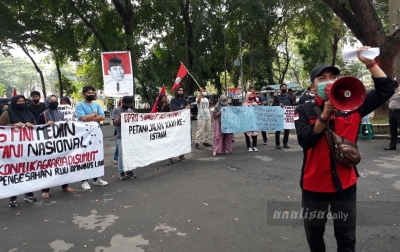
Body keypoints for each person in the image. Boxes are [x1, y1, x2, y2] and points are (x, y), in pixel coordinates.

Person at [294, 46, 394, 252]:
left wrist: (369, 61)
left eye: (332, 77)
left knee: (346, 239)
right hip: (314, 187)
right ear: (313, 86)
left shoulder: (354, 105)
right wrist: (324, 115)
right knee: (314, 236)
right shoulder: (303, 109)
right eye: (322, 78)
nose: (328, 81)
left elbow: (386, 89)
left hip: (345, 186)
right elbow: (305, 140)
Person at [0, 95, 37, 207]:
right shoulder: (7, 114)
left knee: (27, 171)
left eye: (23, 101)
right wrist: (13, 125)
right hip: (12, 150)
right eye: (18, 102)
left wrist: (32, 126)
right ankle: (13, 197)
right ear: (14, 103)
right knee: (14, 172)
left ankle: (28, 194)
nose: (21, 103)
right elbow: (1, 127)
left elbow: (36, 128)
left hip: (27, 149)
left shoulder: (29, 114)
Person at [37, 95, 75, 197]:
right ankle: (45, 190)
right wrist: (46, 125)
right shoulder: (43, 115)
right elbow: (38, 130)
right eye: (51, 101)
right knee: (47, 167)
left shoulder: (60, 114)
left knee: (62, 165)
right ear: (47, 102)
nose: (54, 102)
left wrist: (66, 124)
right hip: (48, 145)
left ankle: (65, 186)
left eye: (55, 100)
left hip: (60, 145)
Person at [75, 86, 109, 190]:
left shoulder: (97, 104)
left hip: (96, 134)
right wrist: (94, 115)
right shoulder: (79, 105)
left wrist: (90, 117)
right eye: (89, 93)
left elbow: (102, 117)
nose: (91, 94)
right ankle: (84, 181)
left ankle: (96, 179)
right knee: (85, 157)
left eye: (92, 92)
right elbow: (83, 118)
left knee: (96, 156)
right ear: (84, 94)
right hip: (84, 136)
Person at [112, 96, 137, 180]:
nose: (128, 106)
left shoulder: (130, 110)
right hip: (120, 135)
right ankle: (121, 172)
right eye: (126, 104)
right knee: (121, 155)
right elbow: (115, 122)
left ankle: (129, 170)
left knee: (130, 153)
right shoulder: (116, 110)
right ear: (122, 102)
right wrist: (120, 117)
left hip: (129, 135)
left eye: (129, 104)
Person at [167, 86, 191, 165]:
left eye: (182, 90)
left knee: (182, 139)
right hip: (174, 124)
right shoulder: (173, 100)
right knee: (173, 139)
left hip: (182, 124)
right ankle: (171, 157)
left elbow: (187, 108)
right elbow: (174, 108)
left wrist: (189, 113)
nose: (181, 92)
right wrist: (184, 107)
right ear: (177, 91)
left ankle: (181, 155)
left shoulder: (185, 100)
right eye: (179, 90)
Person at [273, 84, 293, 149]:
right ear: (280, 88)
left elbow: (293, 105)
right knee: (278, 130)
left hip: (287, 116)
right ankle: (277, 144)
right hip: (279, 116)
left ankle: (285, 143)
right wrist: (278, 105)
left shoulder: (289, 97)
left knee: (287, 130)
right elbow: (273, 106)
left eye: (285, 87)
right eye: (283, 87)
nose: (284, 88)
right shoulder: (276, 97)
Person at [384, 79, 400, 150]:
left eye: (395, 82)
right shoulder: (390, 90)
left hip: (399, 111)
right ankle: (392, 145)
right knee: (392, 129)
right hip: (391, 112)